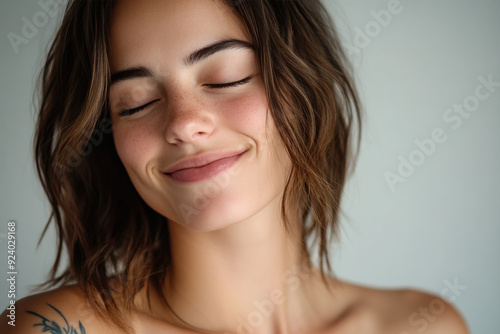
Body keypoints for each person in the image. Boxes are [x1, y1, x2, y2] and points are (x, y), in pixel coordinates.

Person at [1, 0, 469, 333]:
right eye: (136, 103)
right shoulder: (43, 330)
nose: (184, 124)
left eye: (228, 78)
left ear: (303, 88)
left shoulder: (426, 326)